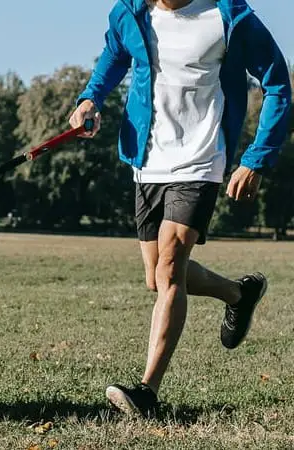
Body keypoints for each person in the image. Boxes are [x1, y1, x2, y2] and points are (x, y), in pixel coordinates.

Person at [69, 0, 291, 417]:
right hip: (148, 158)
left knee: (171, 268)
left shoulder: (230, 17)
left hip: (203, 158)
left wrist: (256, 157)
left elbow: (278, 83)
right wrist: (90, 99)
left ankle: (146, 392)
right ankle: (238, 294)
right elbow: (115, 56)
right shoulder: (131, 12)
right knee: (157, 278)